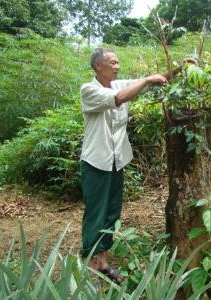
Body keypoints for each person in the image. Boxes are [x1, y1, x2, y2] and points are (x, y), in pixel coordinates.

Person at [80, 48, 187, 283]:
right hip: (96, 162)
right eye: (112, 62)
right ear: (98, 66)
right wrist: (147, 79)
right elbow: (119, 99)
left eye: (118, 62)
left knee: (111, 213)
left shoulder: (119, 84)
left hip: (116, 161)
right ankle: (91, 262)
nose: (117, 66)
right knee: (96, 214)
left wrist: (181, 68)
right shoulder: (89, 90)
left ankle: (103, 259)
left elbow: (155, 80)